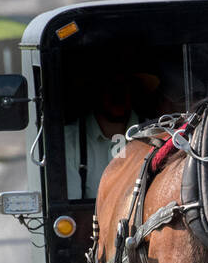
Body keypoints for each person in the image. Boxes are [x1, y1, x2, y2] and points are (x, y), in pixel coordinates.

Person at [63, 68, 156, 198]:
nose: (118, 93)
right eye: (110, 85)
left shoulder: (154, 135)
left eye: (124, 85)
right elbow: (72, 211)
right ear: (95, 90)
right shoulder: (69, 141)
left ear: (134, 90)